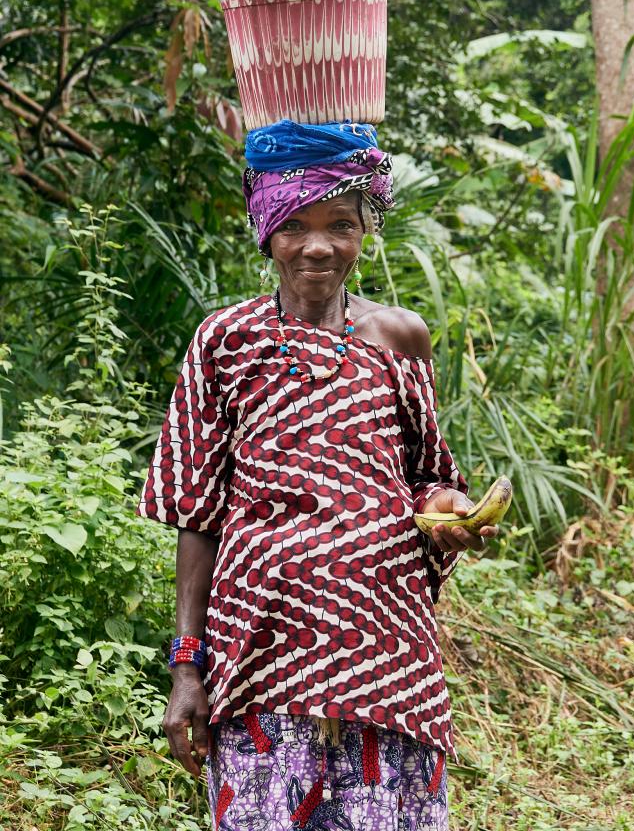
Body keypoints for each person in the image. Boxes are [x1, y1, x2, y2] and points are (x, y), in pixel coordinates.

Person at [138, 119, 498, 831]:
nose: (318, 245)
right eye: (294, 223)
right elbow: (199, 512)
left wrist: (453, 511)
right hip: (260, 650)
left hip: (385, 654)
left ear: (365, 228)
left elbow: (426, 475)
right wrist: (186, 666)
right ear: (265, 229)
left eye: (341, 223)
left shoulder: (401, 337)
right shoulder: (225, 340)